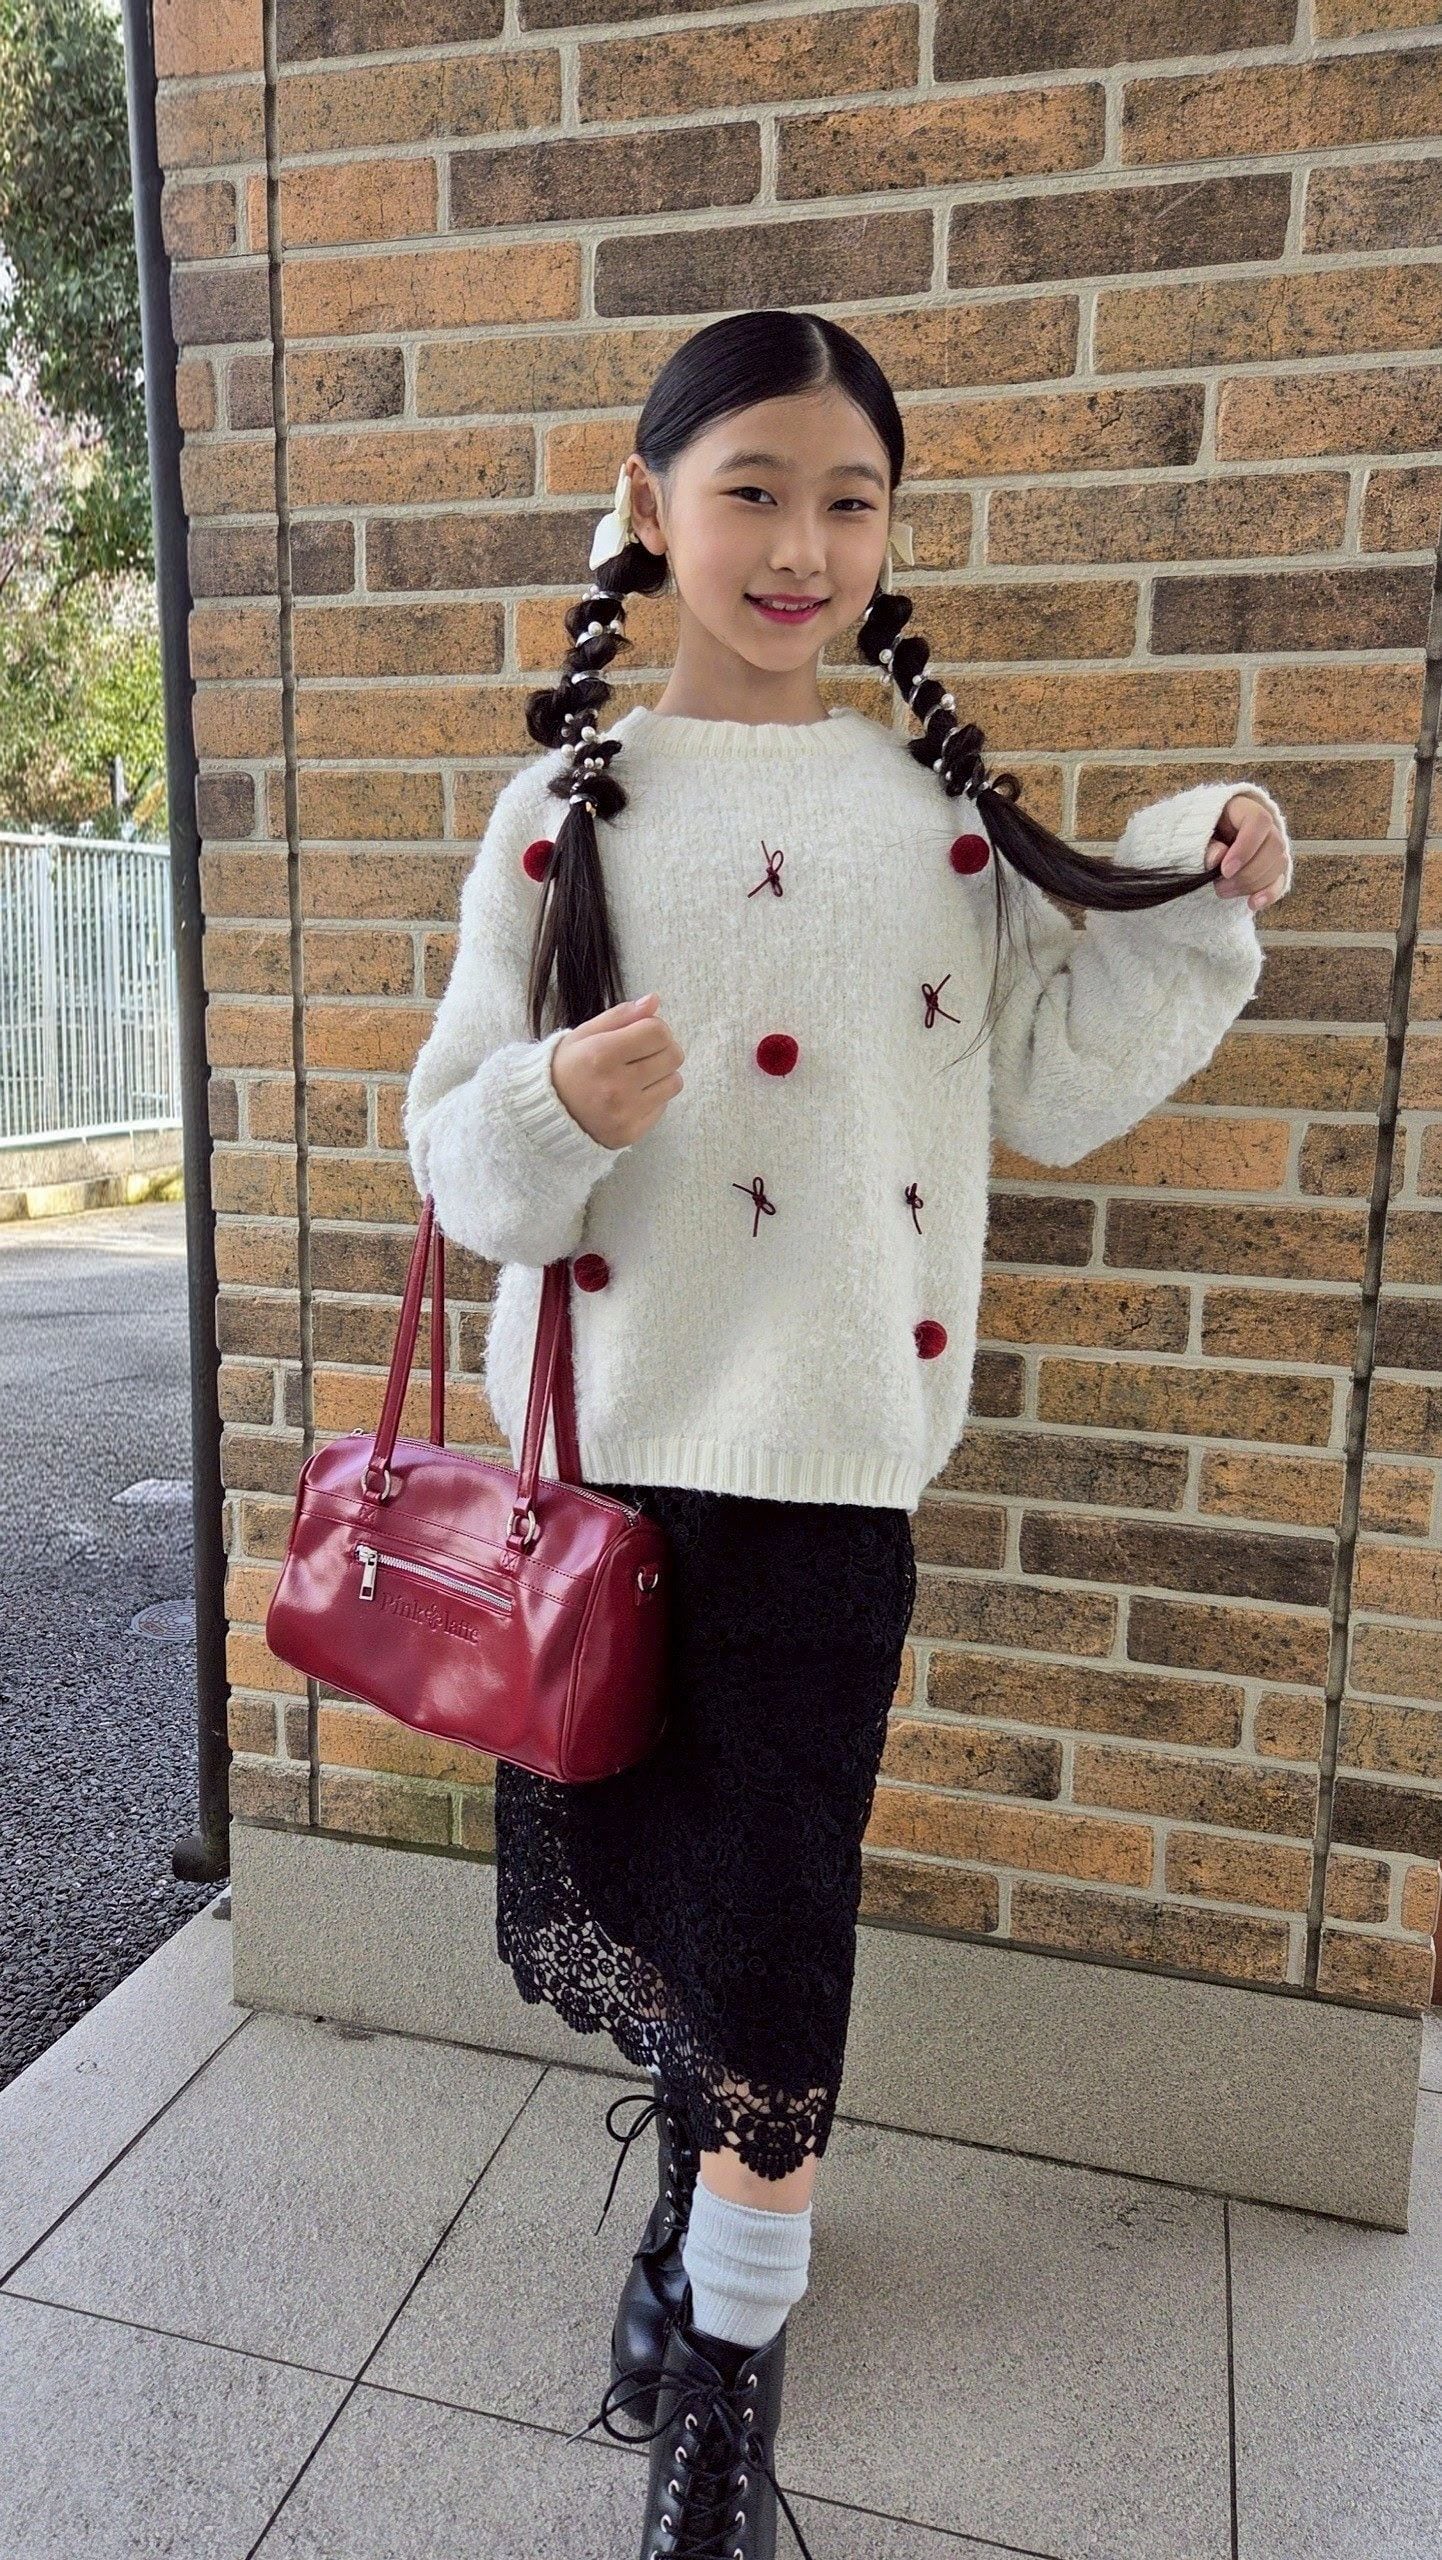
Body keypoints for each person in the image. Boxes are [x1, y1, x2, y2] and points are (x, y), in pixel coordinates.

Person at [401, 306, 1293, 2559]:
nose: (799, 544)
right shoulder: (563, 811)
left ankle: (728, 2365)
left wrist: (1186, 876)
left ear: (892, 529)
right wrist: (553, 1101)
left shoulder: (932, 824)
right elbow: (460, 1166)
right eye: (751, 491)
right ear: (647, 508)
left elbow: (1045, 1088)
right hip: (601, 1478)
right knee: (648, 1888)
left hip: (827, 1474)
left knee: (779, 1924)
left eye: (848, 499)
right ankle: (690, 2210)